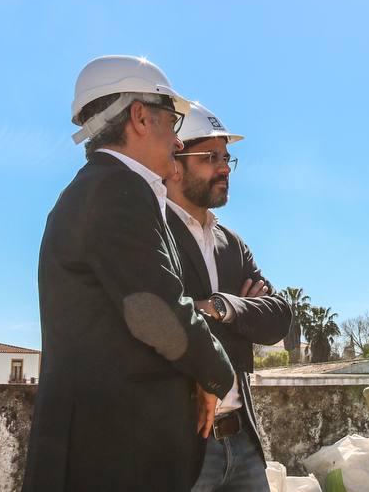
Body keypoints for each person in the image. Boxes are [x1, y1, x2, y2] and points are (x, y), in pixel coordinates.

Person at [23, 56, 235, 492]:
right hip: (113, 455)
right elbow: (157, 313)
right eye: (173, 123)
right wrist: (215, 374)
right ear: (140, 116)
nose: (178, 142)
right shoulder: (117, 192)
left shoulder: (97, 189)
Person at [164, 102, 292, 492]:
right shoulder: (154, 233)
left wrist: (221, 306)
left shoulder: (231, 243)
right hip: (183, 446)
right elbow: (169, 321)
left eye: (226, 157)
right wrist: (241, 315)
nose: (224, 168)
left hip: (242, 440)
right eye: (210, 157)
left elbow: (278, 318)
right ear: (174, 161)